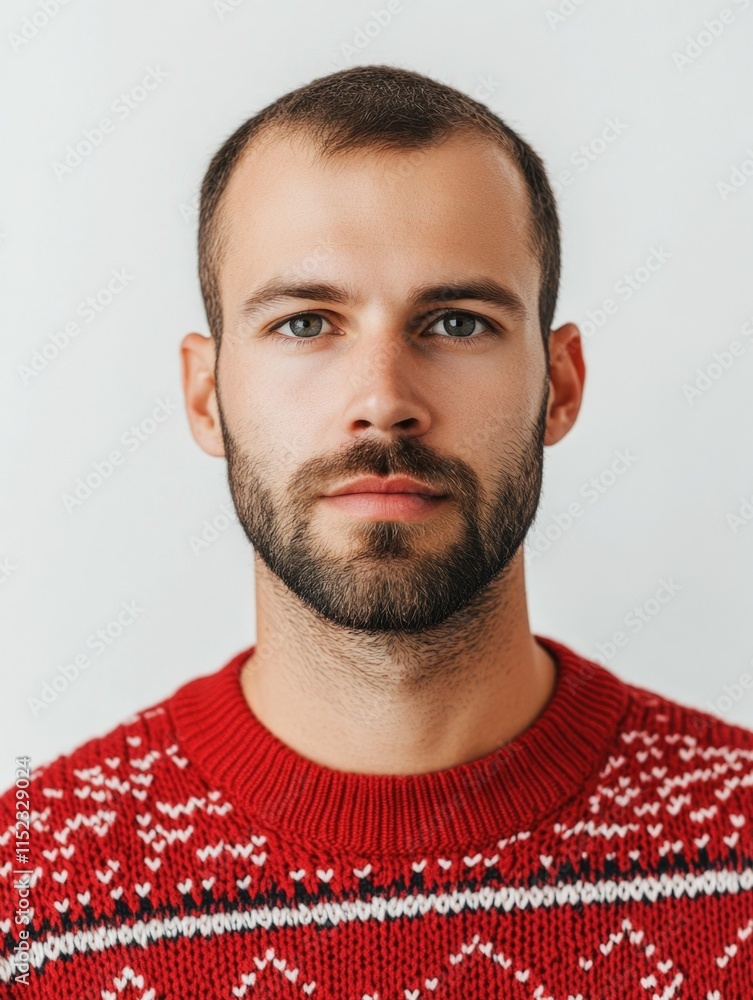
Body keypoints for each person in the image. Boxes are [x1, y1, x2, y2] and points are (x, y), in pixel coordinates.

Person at [2, 63, 752, 999]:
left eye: (456, 323)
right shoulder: (28, 901)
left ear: (559, 385)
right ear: (205, 395)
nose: (383, 401)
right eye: (305, 323)